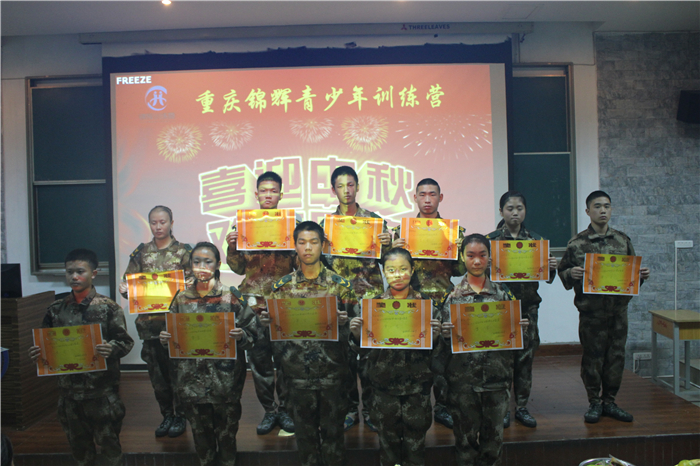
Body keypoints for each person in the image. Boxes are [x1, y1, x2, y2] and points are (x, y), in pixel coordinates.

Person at [29, 249, 134, 466]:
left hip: (101, 394)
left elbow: (125, 342)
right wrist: (38, 353)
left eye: (80, 271)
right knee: (80, 451)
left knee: (110, 450)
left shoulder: (108, 308)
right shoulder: (55, 310)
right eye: (70, 272)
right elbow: (46, 344)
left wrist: (111, 348)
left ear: (93, 273)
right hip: (69, 395)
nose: (74, 277)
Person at [264, 221, 355, 466]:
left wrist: (345, 324)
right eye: (302, 242)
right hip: (297, 376)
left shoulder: (341, 286)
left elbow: (357, 334)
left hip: (333, 374)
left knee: (334, 436)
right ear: (295, 246)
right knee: (305, 438)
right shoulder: (281, 289)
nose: (307, 248)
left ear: (322, 245)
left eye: (314, 242)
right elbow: (273, 336)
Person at [159, 242, 257, 466]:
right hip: (191, 383)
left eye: (208, 261)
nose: (201, 266)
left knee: (227, 440)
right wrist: (166, 340)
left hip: (225, 384)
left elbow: (253, 335)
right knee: (202, 443)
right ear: (190, 265)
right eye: (196, 262)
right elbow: (173, 339)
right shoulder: (181, 298)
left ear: (218, 264)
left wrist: (242, 335)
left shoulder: (231, 297)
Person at [557, 190, 650, 424]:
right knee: (593, 358)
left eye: (607, 206)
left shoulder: (623, 241)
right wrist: (570, 273)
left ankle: (610, 401)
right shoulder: (577, 244)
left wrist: (640, 276)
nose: (603, 210)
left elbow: (631, 277)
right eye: (597, 206)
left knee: (616, 357)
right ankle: (594, 403)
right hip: (592, 313)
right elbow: (562, 271)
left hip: (618, 313)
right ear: (588, 211)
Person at [349, 248, 442, 466]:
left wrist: (437, 337)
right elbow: (363, 352)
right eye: (391, 270)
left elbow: (439, 354)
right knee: (387, 446)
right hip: (383, 388)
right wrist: (356, 335)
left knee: (416, 447)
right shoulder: (372, 306)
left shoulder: (427, 306)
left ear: (413, 270)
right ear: (383, 272)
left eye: (403, 269)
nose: (397, 275)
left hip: (417, 389)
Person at [439, 235, 526, 466]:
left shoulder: (504, 295)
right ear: (462, 258)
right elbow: (441, 348)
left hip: (496, 380)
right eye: (470, 255)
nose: (477, 261)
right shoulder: (452, 297)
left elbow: (517, 342)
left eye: (482, 255)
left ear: (490, 257)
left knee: (493, 442)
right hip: (463, 383)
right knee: (465, 442)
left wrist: (521, 329)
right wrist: (443, 335)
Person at [321, 165, 393, 432]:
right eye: (340, 186)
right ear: (333, 190)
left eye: (350, 185)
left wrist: (387, 245)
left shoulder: (374, 221)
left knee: (371, 358)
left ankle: (371, 410)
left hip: (369, 299)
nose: (346, 191)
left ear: (357, 187)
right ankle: (351, 408)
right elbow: (320, 264)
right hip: (340, 301)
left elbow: (389, 263)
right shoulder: (326, 225)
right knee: (344, 360)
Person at [391, 177, 465, 430]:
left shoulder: (453, 231)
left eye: (432, 194)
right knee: (414, 356)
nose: (427, 199)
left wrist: (459, 251)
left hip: (443, 301)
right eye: (422, 194)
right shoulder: (402, 232)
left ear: (440, 198)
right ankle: (415, 405)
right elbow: (392, 268)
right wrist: (394, 249)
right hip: (412, 302)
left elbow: (460, 271)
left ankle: (443, 406)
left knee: (443, 358)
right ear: (415, 198)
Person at [225, 171, 296, 435]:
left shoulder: (292, 225)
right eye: (263, 191)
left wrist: (295, 245)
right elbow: (237, 269)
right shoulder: (244, 224)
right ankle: (270, 411)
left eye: (273, 191)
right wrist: (232, 246)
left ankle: (286, 410)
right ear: (256, 194)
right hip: (253, 306)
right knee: (260, 363)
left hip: (283, 304)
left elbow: (300, 265)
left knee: (286, 362)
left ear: (281, 194)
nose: (268, 195)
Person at [486, 191, 558, 429]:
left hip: (528, 308)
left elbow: (548, 277)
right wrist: (485, 264)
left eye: (519, 208)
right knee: (502, 359)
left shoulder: (536, 241)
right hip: (500, 309)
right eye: (509, 208)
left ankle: (522, 407)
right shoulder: (490, 241)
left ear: (525, 211)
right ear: (501, 211)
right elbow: (477, 273)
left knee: (525, 358)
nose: (514, 213)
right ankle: (503, 408)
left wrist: (551, 266)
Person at [119, 205, 191, 438]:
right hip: (150, 326)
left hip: (176, 326)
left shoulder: (184, 252)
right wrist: (125, 289)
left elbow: (194, 286)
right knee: (158, 377)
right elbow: (128, 286)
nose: (158, 227)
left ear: (171, 223)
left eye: (163, 222)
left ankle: (181, 416)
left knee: (179, 373)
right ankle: (166, 415)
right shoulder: (140, 253)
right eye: (154, 222)